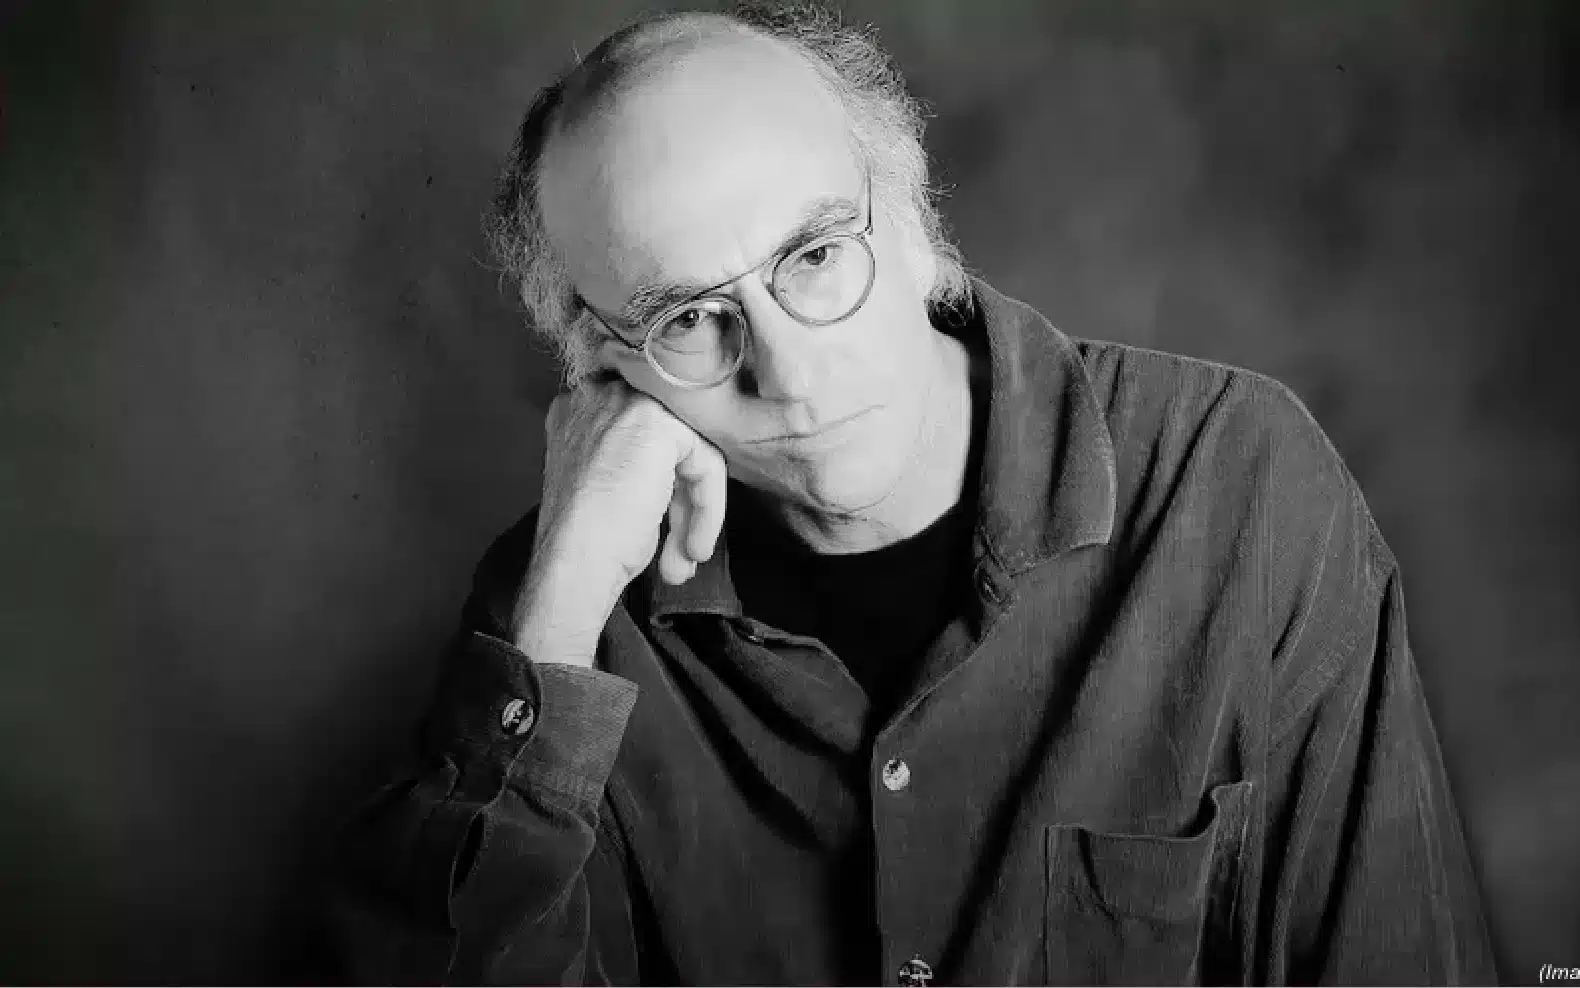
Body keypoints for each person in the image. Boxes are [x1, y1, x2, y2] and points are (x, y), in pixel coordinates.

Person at [323, 3, 1498, 985]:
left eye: (817, 255)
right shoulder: (562, 617)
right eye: (689, 318)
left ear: (914, 212)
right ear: (602, 360)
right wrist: (560, 608)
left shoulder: (1238, 483)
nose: (789, 371)